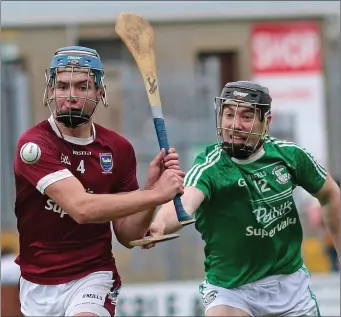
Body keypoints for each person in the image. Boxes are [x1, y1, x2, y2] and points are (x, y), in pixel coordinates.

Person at [14, 46, 185, 317]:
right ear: (50, 91)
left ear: (100, 93)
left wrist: (151, 190)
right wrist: (154, 195)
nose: (71, 96)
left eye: (83, 87)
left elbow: (129, 236)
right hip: (38, 284)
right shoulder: (34, 145)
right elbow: (82, 209)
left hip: (93, 276)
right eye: (62, 86)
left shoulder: (118, 149)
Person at [147, 81, 340, 316]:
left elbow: (330, 194)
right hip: (231, 290)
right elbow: (185, 201)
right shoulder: (210, 167)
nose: (235, 125)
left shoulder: (290, 157)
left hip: (290, 288)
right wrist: (158, 225)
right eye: (229, 114)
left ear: (266, 122)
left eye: (246, 117)